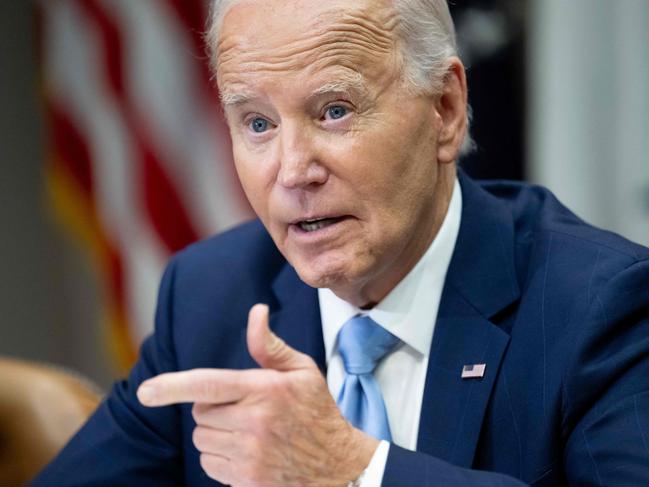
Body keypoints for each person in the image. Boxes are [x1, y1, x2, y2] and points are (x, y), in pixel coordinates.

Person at [31, 0, 649, 486]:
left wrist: (354, 469)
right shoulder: (207, 299)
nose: (293, 170)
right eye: (257, 123)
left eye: (333, 111)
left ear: (446, 108)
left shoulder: (598, 305)